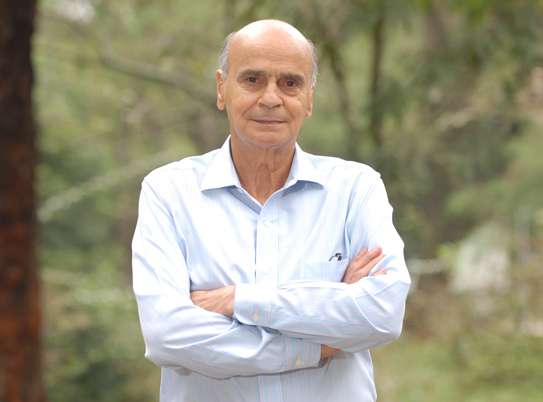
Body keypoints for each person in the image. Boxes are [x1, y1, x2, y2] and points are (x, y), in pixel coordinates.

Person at [132, 19, 410, 402]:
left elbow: (383, 314)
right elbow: (168, 336)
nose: (271, 98)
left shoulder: (356, 190)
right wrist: (321, 338)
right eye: (253, 79)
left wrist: (238, 301)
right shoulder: (168, 192)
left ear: (309, 99)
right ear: (221, 88)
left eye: (290, 83)